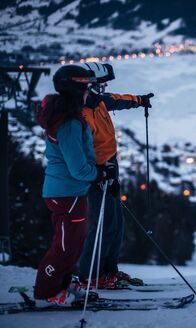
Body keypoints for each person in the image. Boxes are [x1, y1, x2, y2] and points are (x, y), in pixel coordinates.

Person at [34, 65, 115, 306]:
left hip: (70, 192)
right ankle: (46, 291)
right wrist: (98, 173)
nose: (89, 92)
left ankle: (60, 284)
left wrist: (99, 171)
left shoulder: (68, 117)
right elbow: (78, 167)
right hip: (66, 192)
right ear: (76, 91)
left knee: (74, 243)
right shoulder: (68, 123)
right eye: (86, 88)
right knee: (65, 247)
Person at [78, 62, 154, 289]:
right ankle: (91, 274)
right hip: (96, 174)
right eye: (101, 85)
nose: (105, 88)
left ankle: (109, 270)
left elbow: (119, 99)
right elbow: (81, 151)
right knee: (103, 224)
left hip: (110, 168)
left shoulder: (99, 102)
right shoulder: (80, 114)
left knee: (117, 222)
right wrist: (99, 173)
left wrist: (140, 100)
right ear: (89, 85)